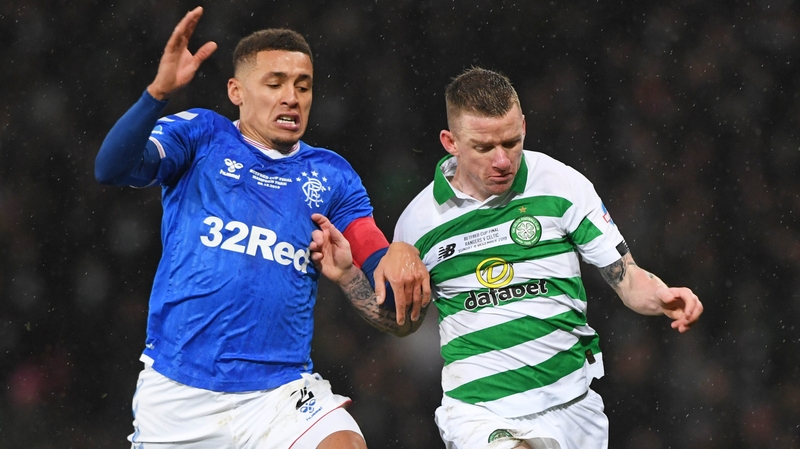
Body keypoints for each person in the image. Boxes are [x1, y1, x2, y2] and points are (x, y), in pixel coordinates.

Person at [94, 7, 430, 449]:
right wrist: (157, 93)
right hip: (180, 392)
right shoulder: (201, 135)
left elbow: (390, 295)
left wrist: (387, 258)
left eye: (302, 86)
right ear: (236, 90)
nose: (291, 97)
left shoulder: (331, 175)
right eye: (275, 84)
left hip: (280, 392)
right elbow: (111, 168)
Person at [389, 67, 704, 449]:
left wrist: (662, 296)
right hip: (479, 412)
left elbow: (627, 277)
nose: (502, 160)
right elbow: (403, 324)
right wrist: (349, 275)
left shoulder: (562, 185)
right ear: (450, 142)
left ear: (523, 125)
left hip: (571, 404)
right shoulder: (418, 224)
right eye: (485, 148)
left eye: (511, 141)